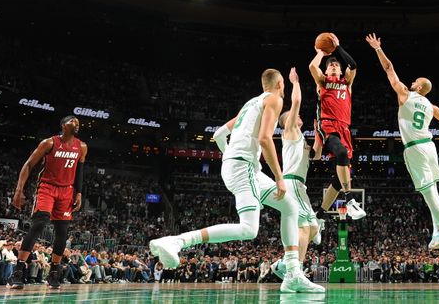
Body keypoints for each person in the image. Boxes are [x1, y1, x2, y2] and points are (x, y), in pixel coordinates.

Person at [149, 69, 323, 293]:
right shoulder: (275, 99)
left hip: (241, 166)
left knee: (290, 206)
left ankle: (292, 274)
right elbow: (264, 139)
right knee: (249, 229)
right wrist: (279, 178)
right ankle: (178, 241)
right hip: (244, 167)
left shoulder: (250, 104)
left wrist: (230, 156)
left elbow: (219, 134)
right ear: (281, 84)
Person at [365, 32, 439, 257]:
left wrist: (377, 49)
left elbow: (389, 69)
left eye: (414, 82)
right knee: (433, 192)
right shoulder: (430, 105)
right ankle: (436, 234)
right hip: (430, 147)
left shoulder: (406, 95)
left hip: (415, 149)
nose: (410, 83)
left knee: (429, 195)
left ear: (418, 88)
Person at [10, 115, 87, 290]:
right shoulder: (49, 143)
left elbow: (80, 171)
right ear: (62, 125)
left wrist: (80, 193)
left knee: (62, 231)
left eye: (78, 123)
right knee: (39, 224)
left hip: (67, 190)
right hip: (47, 187)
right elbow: (29, 164)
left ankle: (54, 273)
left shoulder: (81, 146)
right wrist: (18, 190)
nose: (76, 125)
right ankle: (18, 271)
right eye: (72, 122)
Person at [270, 67, 323, 279]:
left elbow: (317, 156)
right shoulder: (289, 130)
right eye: (294, 116)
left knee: (310, 228)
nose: (298, 116)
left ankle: (286, 264)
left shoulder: (301, 139)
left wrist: (318, 132)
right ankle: (294, 270)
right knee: (306, 227)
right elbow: (297, 102)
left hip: (299, 185)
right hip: (292, 183)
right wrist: (295, 82)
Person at [310, 36, 365, 223]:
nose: (333, 65)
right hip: (328, 125)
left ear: (342, 70)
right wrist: (320, 53)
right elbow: (312, 68)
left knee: (338, 178)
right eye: (330, 64)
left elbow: (354, 65)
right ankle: (349, 200)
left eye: (336, 65)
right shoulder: (322, 82)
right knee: (340, 153)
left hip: (345, 128)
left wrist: (338, 47)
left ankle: (320, 215)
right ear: (326, 70)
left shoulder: (347, 84)